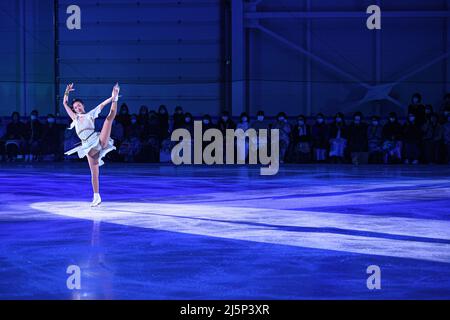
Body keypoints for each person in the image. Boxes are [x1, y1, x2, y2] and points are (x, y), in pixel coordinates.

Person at [63, 83, 120, 206]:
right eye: (75, 107)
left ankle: (116, 100)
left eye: (79, 105)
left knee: (109, 119)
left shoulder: (90, 114)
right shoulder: (75, 119)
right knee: (94, 173)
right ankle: (96, 197)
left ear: (83, 106)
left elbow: (102, 105)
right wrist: (67, 91)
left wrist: (112, 97)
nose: (77, 107)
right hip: (86, 146)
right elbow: (64, 104)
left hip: (97, 140)